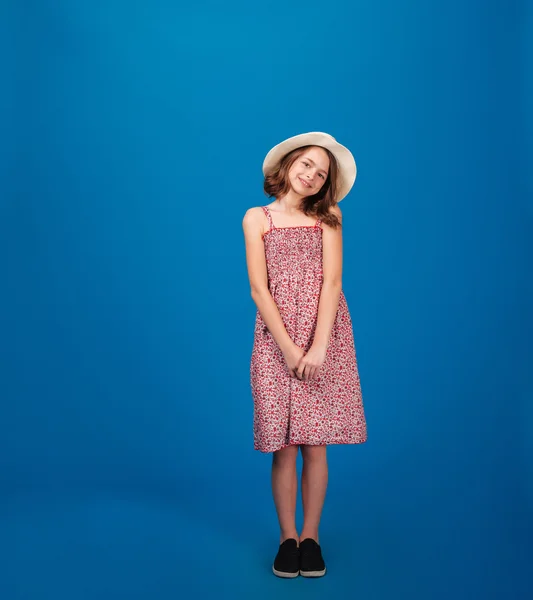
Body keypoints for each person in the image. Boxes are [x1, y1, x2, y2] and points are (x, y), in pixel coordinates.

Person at [242, 132, 368, 579]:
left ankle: (311, 537)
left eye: (321, 173)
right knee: (286, 446)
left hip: (325, 335)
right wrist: (290, 348)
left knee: (316, 443)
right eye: (308, 164)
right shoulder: (257, 219)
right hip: (277, 338)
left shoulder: (329, 216)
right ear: (290, 163)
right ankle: (287, 539)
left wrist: (317, 346)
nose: (312, 175)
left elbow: (332, 283)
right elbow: (260, 289)